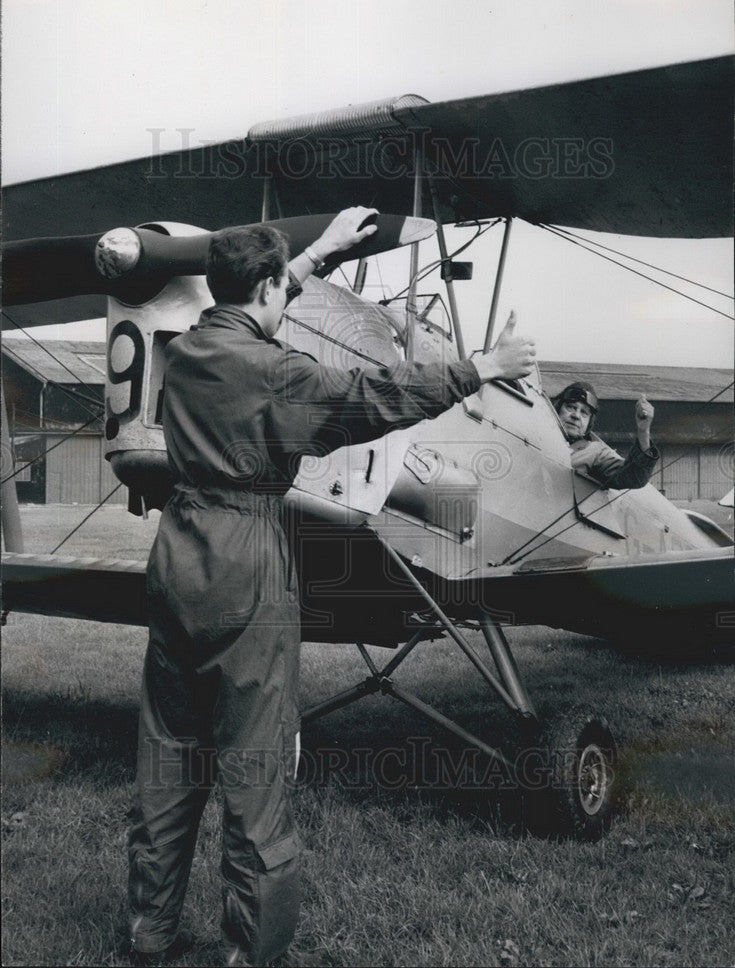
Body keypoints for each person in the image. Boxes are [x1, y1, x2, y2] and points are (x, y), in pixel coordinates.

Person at [127, 206, 536, 968]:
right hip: (246, 555)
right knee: (254, 770)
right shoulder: (282, 375)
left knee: (168, 756)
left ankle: (148, 934)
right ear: (269, 289)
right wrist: (484, 367)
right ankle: (251, 951)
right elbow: (376, 396)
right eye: (283, 285)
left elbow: (248, 313)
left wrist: (317, 253)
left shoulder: (183, 355)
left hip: (176, 552)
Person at [552, 380, 659, 489]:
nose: (576, 416)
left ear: (589, 422)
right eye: (571, 407)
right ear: (557, 409)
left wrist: (643, 431)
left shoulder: (595, 453)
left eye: (584, 412)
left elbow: (633, 477)